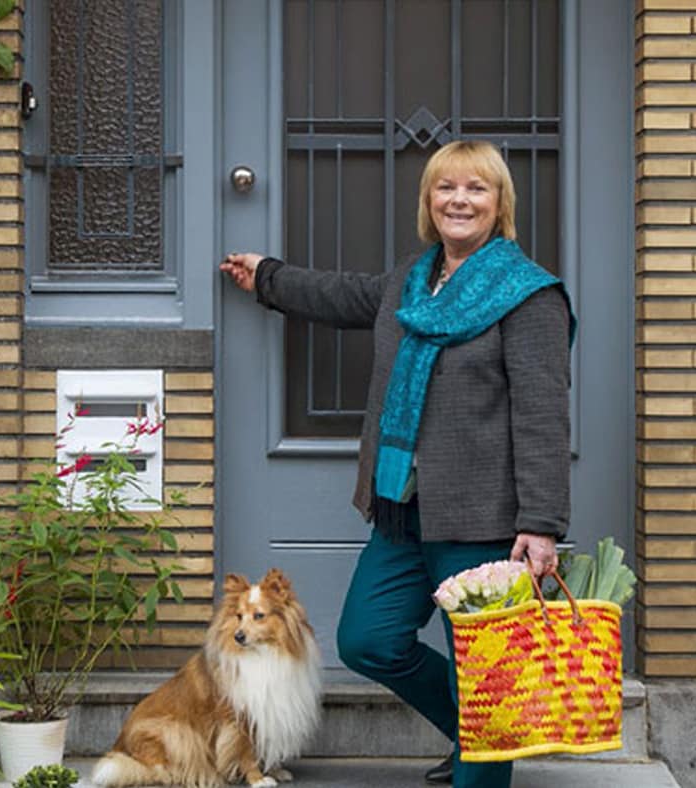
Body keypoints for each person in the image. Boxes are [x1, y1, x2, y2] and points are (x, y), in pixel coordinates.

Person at [218, 139, 575, 787]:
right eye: (446, 188)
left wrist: (543, 522)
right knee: (368, 639)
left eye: (476, 189)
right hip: (402, 508)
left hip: (483, 518)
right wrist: (267, 276)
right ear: (428, 201)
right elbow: (341, 296)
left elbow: (543, 414)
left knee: (484, 673)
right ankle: (473, 734)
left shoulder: (530, 297)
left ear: (501, 204)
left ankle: (483, 757)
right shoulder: (411, 282)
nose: (459, 200)